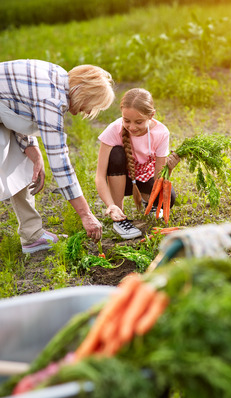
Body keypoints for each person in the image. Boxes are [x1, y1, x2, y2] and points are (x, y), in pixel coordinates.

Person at [0, 59, 115, 253]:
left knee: (23, 159)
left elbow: (17, 107)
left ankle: (32, 235)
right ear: (80, 91)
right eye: (91, 105)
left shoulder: (57, 76)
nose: (87, 111)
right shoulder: (52, 99)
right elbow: (59, 161)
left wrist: (35, 154)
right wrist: (85, 214)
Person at [95, 88, 177, 239]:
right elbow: (100, 176)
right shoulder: (114, 130)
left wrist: (169, 168)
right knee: (116, 154)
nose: (132, 127)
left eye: (138, 122)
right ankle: (119, 216)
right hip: (121, 181)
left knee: (169, 199)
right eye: (126, 120)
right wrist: (110, 205)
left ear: (151, 115)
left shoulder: (161, 132)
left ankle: (148, 203)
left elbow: (158, 177)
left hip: (144, 178)